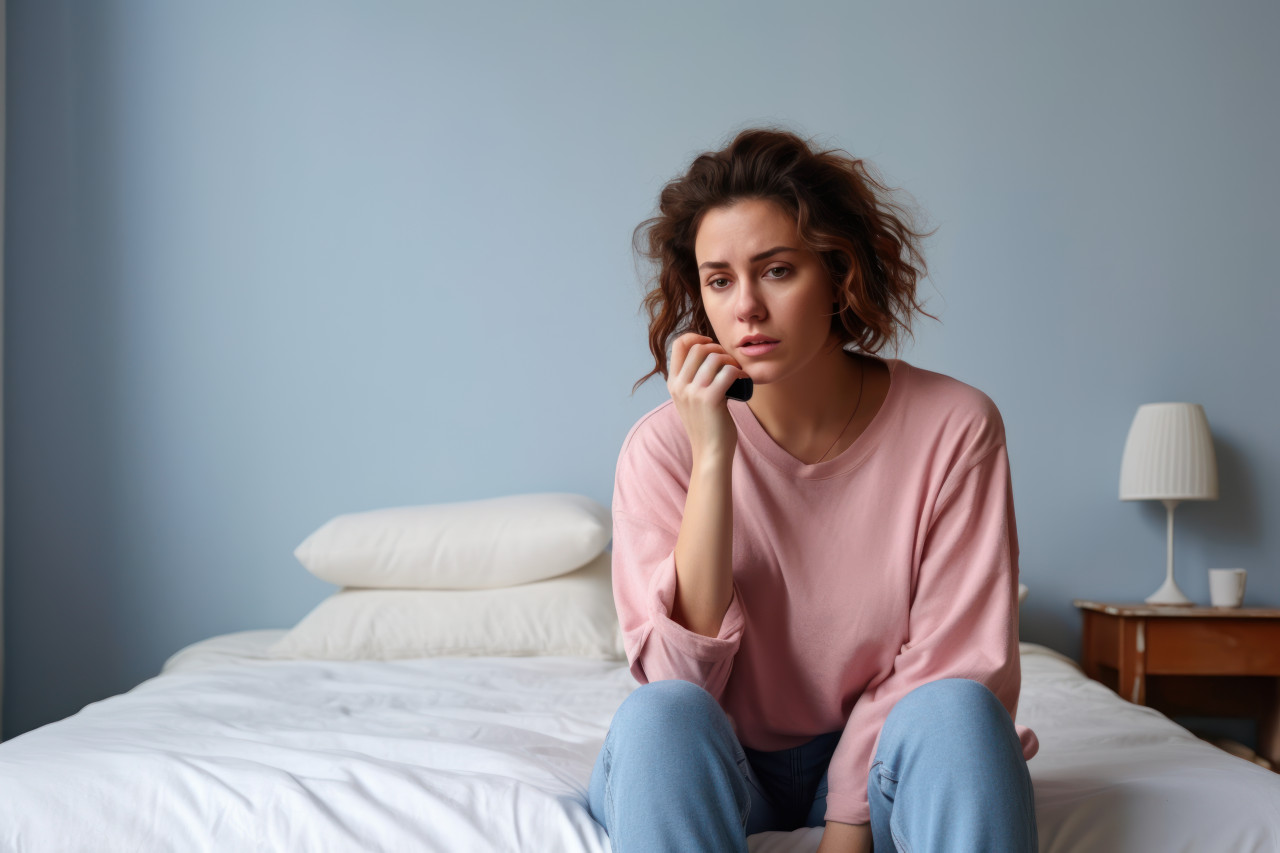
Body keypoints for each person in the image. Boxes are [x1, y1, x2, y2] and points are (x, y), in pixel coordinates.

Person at [587, 126, 1039, 853]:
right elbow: (678, 680)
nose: (746, 310)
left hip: (885, 754)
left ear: (837, 271)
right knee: (659, 717)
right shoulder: (663, 446)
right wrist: (712, 458)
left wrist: (848, 820)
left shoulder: (955, 425)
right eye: (719, 280)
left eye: (776, 271)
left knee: (958, 710)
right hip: (718, 761)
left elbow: (954, 655)